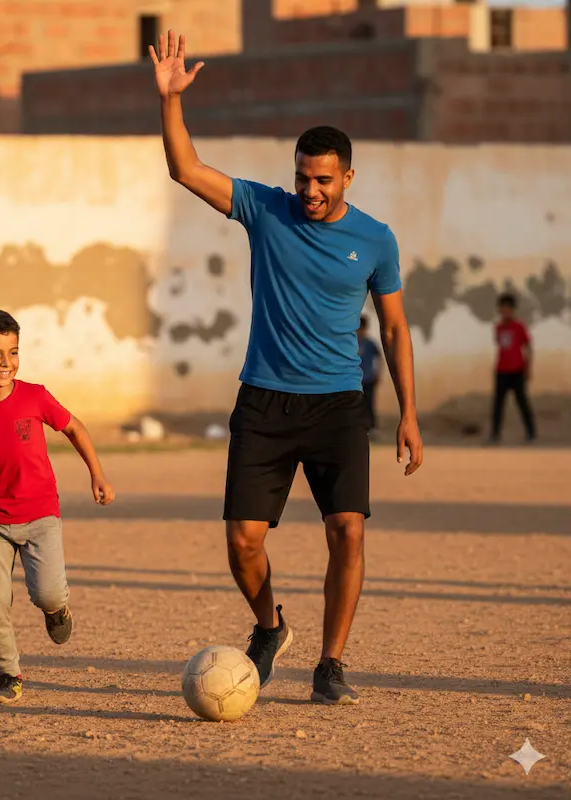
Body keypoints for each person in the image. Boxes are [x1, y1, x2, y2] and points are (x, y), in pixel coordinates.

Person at [149, 31, 423, 705]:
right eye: (302, 176)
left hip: (336, 404)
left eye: (323, 179)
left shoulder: (376, 239)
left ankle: (331, 664)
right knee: (244, 541)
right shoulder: (266, 209)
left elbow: (393, 325)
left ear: (348, 178)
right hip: (264, 401)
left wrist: (410, 414)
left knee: (347, 529)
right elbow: (186, 169)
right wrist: (171, 104)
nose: (309, 190)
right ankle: (269, 626)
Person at [0, 308, 115, 705]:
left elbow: (75, 428)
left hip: (42, 515)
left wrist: (96, 473)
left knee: (46, 593)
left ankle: (57, 609)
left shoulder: (35, 395)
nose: (7, 362)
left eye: (13, 352)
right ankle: (8, 673)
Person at [489, 293, 535, 443]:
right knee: (498, 405)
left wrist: (528, 368)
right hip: (501, 371)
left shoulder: (519, 327)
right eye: (502, 308)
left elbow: (528, 347)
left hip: (517, 370)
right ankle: (495, 434)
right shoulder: (498, 327)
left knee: (522, 402)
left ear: (512, 310)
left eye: (508, 308)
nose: (505, 311)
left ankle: (531, 432)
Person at [357, 315, 381, 436]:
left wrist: (377, 373)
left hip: (368, 379)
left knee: (369, 403)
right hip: (355, 380)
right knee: (357, 404)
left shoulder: (370, 343)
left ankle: (373, 427)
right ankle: (359, 427)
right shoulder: (352, 343)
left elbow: (379, 358)